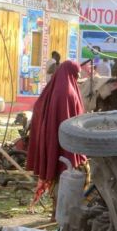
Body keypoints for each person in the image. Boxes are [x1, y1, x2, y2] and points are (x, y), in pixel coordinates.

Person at [26, 61, 86, 207]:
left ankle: (55, 209)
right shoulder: (67, 90)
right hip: (65, 142)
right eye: (77, 74)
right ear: (70, 72)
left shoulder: (55, 87)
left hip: (52, 138)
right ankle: (58, 210)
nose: (78, 77)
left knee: (55, 171)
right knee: (63, 173)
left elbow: (39, 106)